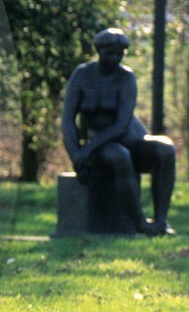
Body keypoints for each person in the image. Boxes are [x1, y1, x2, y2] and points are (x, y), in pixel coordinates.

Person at [61, 28, 176, 235]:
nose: (115, 58)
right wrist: (77, 155)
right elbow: (68, 121)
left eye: (119, 54)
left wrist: (86, 150)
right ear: (99, 51)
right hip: (103, 146)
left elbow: (121, 124)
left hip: (130, 139)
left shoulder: (126, 77)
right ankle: (139, 222)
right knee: (120, 156)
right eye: (109, 53)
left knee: (165, 149)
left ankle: (161, 221)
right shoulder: (82, 75)